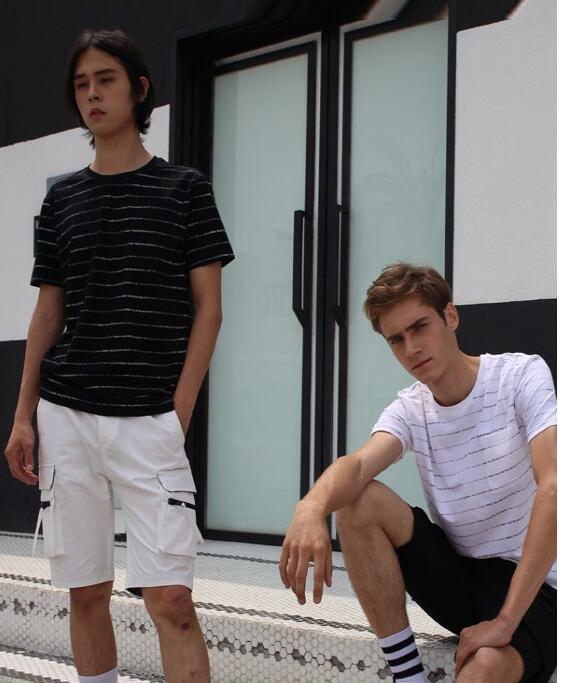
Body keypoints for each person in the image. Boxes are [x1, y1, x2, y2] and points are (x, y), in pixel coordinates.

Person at [4, 29, 234, 683]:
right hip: (67, 414)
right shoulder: (62, 198)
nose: (92, 94)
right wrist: (23, 417)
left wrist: (178, 409)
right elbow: (48, 312)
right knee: (85, 593)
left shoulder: (185, 189)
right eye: (81, 84)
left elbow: (209, 309)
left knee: (172, 602)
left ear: (138, 89)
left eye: (105, 79)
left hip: (151, 418)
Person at [279, 263, 556, 683]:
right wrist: (310, 507)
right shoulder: (411, 408)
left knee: (484, 669)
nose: (411, 348)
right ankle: (408, 676)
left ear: (450, 316)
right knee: (357, 500)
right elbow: (357, 465)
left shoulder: (519, 377)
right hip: (462, 579)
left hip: (538, 587)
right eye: (396, 339)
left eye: (419, 327)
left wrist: (504, 622)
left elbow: (553, 486)